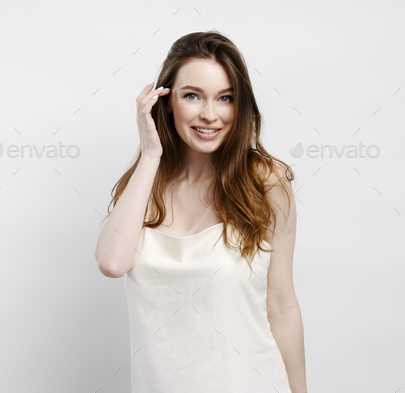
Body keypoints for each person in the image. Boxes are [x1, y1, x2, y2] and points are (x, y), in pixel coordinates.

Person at [95, 31, 306, 393]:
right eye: (192, 96)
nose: (210, 115)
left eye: (226, 98)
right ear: (166, 101)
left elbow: (282, 306)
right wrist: (149, 155)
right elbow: (112, 264)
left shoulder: (265, 184)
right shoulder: (144, 184)